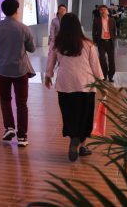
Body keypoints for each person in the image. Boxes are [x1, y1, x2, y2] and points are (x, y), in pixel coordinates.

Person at [44, 13, 103, 162]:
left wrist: (48, 76)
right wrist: (101, 83)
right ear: (78, 26)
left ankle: (74, 138)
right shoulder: (87, 44)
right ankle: (83, 146)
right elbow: (95, 65)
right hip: (86, 84)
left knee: (69, 114)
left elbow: (51, 60)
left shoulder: (58, 43)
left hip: (65, 84)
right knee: (85, 115)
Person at [0, 0, 36, 148]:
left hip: (2, 70)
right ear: (17, 10)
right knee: (21, 103)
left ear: (3, 11)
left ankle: (9, 127)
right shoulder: (24, 28)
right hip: (21, 70)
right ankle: (22, 136)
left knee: (5, 99)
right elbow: (32, 48)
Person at [92, 5, 117, 83]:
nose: (103, 11)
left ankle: (111, 76)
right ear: (99, 11)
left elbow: (114, 32)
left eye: (104, 9)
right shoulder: (96, 20)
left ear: (107, 11)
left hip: (110, 42)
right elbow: (94, 31)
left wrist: (113, 40)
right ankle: (104, 75)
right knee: (102, 59)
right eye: (101, 10)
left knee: (111, 59)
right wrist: (95, 41)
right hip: (101, 42)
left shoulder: (112, 20)